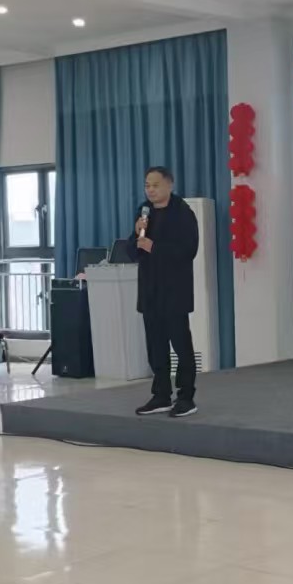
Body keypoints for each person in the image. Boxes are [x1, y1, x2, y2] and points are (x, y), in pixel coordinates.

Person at [126, 167, 199, 418]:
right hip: (150, 291)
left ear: (169, 185)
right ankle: (161, 395)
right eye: (147, 185)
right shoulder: (144, 211)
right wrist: (137, 233)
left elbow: (188, 250)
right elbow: (132, 250)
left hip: (175, 292)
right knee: (155, 346)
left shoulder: (183, 213)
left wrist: (154, 247)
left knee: (181, 345)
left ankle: (186, 397)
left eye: (155, 185)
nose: (150, 190)